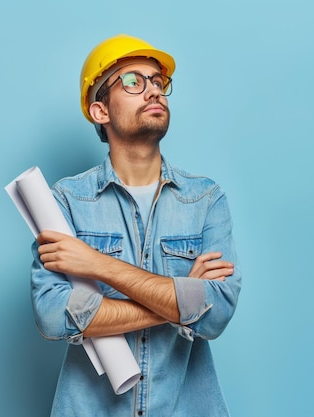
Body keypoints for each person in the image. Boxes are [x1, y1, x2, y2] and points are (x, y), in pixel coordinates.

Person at [30, 34, 242, 417]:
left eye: (158, 82)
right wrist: (178, 302)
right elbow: (53, 315)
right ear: (101, 111)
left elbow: (215, 314)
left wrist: (97, 265)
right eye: (133, 82)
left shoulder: (206, 199)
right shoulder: (65, 201)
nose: (153, 91)